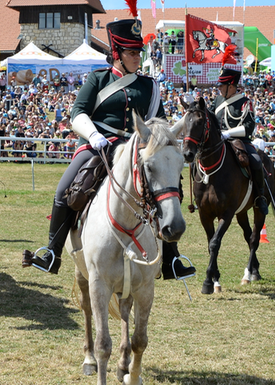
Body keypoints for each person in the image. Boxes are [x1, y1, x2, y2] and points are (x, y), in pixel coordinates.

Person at [22, 17, 192, 280]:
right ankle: (52, 253)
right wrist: (92, 135)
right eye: (131, 52)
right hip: (99, 145)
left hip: (137, 149)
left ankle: (172, 258)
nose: (137, 57)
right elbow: (77, 113)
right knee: (64, 190)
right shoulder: (98, 79)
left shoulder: (149, 86)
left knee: (169, 186)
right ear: (117, 54)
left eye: (139, 51)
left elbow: (158, 123)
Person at [211, 66, 269, 215]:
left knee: (256, 161)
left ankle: (260, 196)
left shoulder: (245, 102)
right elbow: (209, 118)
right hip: (218, 142)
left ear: (231, 86)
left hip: (240, 142)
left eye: (221, 86)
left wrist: (228, 134)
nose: (219, 89)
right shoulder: (217, 100)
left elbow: (249, 127)